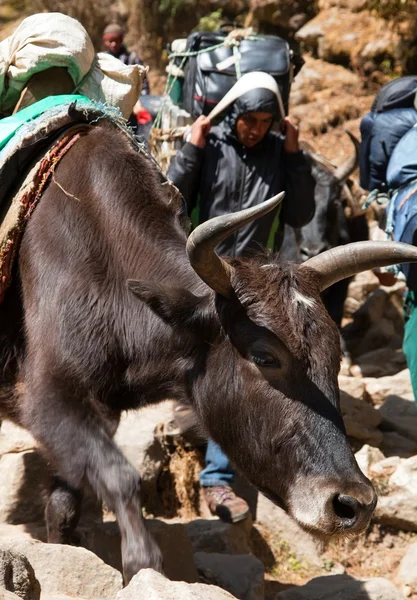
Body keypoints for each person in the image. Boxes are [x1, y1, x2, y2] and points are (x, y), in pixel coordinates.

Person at [168, 74, 316, 523]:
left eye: (264, 121)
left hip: (256, 285)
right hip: (208, 274)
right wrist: (192, 148)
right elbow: (172, 199)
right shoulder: (212, 146)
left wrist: (292, 154)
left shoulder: (279, 153)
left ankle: (217, 478)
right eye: (248, 120)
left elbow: (301, 213)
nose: (255, 128)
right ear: (234, 116)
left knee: (238, 368)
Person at [102, 23, 151, 137]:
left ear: (122, 40)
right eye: (110, 41)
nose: (113, 44)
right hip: (109, 109)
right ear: (105, 41)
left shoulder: (132, 58)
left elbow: (143, 84)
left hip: (132, 110)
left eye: (117, 40)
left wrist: (139, 102)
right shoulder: (102, 59)